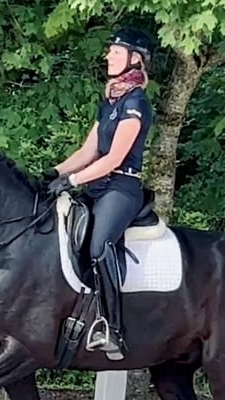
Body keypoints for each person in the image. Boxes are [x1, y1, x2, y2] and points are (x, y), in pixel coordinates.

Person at [44, 27, 154, 360]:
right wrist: (54, 173)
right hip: (96, 184)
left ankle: (112, 328)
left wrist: (73, 180)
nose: (108, 56)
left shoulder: (136, 104)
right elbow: (88, 150)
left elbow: (113, 158)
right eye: (110, 52)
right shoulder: (110, 101)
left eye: (116, 53)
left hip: (121, 187)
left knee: (97, 245)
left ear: (135, 60)